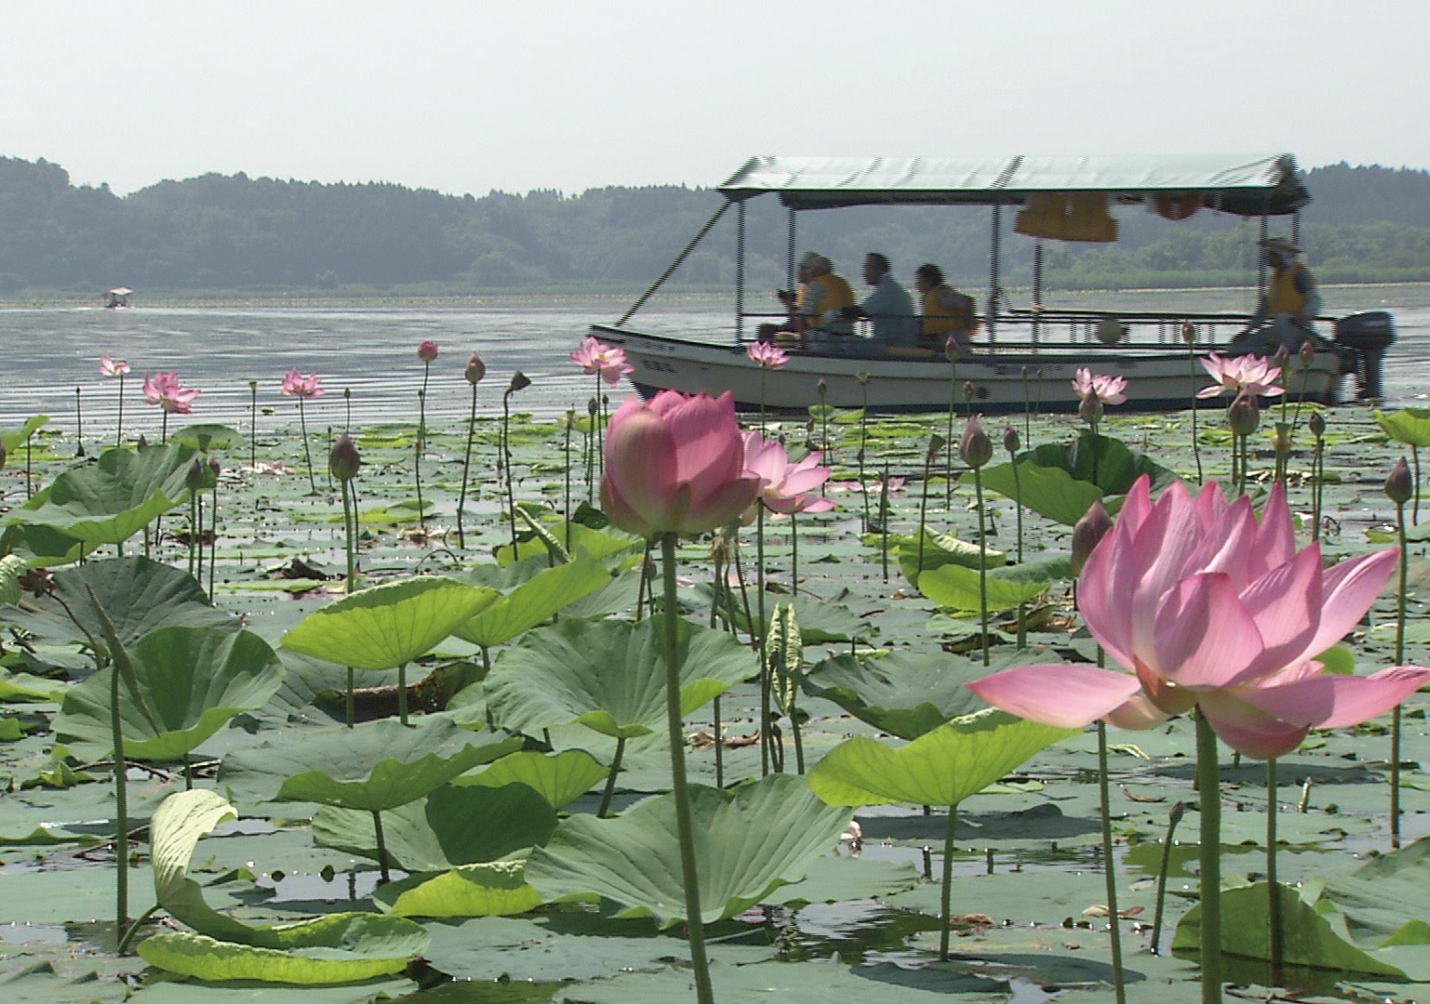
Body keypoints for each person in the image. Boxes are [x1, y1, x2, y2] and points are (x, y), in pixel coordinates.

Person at [1232, 237, 1324, 354]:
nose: (1267, 258)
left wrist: (1304, 316)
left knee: (1282, 319)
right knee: (1241, 346)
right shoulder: (1276, 278)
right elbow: (1265, 307)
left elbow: (1314, 299)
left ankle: (1289, 355)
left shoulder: (1298, 274)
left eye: (1271, 255)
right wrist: (1248, 330)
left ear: (1282, 256)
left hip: (1296, 328)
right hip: (1279, 328)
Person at [840, 253, 916, 349]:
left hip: (892, 343)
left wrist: (836, 313)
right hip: (899, 341)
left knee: (846, 342)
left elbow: (860, 311)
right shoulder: (892, 287)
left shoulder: (887, 290)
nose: (864, 274)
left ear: (878, 270)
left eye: (867, 268)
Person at [913, 263, 979, 352]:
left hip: (955, 341)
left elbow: (968, 301)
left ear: (928, 281)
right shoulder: (927, 298)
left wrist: (970, 323)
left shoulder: (942, 294)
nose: (917, 284)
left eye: (919, 280)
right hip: (940, 341)